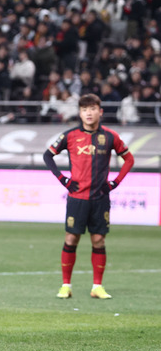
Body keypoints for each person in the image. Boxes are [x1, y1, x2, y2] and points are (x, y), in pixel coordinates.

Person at [43, 93, 134, 300]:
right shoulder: (70, 135)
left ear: (100, 112)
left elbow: (129, 159)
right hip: (77, 198)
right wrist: (63, 180)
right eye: (84, 110)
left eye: (92, 109)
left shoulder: (110, 136)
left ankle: (97, 286)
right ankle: (66, 285)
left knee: (99, 240)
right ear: (80, 113)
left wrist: (115, 182)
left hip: (100, 198)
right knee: (71, 238)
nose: (89, 113)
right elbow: (48, 155)